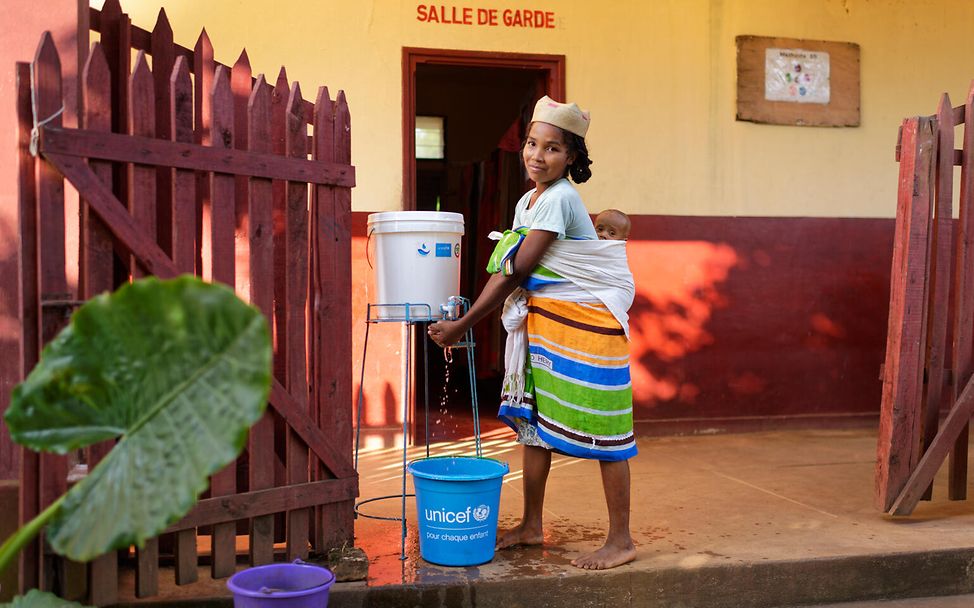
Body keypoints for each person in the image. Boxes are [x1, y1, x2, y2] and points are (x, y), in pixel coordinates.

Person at [428, 96, 637, 570]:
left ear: (573, 159)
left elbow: (517, 269)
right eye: (531, 143)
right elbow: (511, 264)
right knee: (535, 429)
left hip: (587, 327)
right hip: (548, 325)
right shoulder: (529, 198)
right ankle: (531, 524)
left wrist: (464, 324)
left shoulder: (560, 197)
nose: (537, 155)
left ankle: (621, 540)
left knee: (607, 429)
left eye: (552, 148)